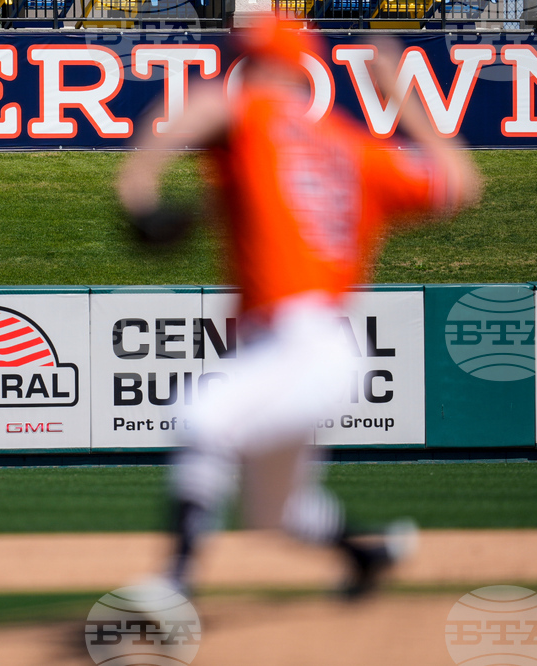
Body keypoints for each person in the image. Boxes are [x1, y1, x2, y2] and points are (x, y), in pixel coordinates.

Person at [117, 19, 482, 598]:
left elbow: (200, 108)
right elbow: (461, 184)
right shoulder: (354, 148)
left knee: (201, 415)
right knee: (278, 514)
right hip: (325, 347)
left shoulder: (257, 113)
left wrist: (138, 182)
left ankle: (172, 585)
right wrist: (399, 95)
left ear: (259, 66)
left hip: (296, 339)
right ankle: (367, 557)